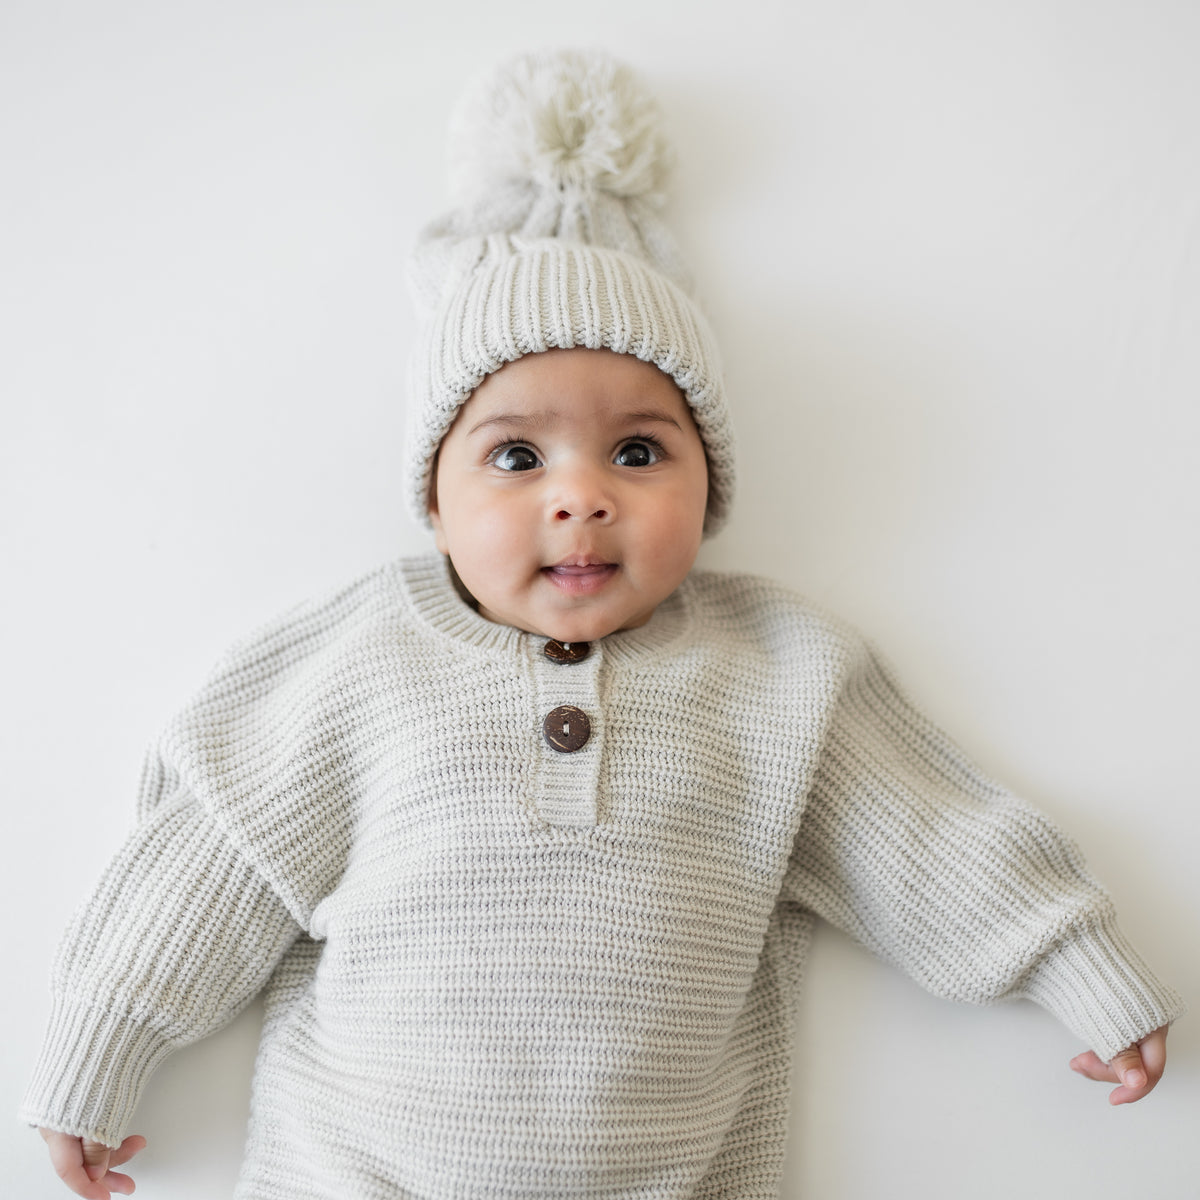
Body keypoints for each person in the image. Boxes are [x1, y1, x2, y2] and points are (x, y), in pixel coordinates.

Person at [21, 49, 1183, 1200]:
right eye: (517, 456)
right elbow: (208, 864)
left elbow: (929, 837)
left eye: (638, 450)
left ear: (711, 485)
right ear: (434, 499)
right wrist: (100, 1050)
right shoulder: (360, 663)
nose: (581, 495)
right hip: (361, 1171)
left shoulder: (779, 676)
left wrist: (1071, 962)